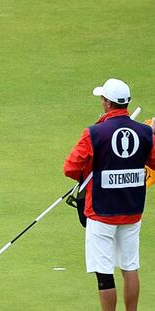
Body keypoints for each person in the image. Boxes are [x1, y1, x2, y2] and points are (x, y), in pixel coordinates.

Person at [63, 78, 155, 311]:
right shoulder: (144, 132)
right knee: (130, 267)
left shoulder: (95, 132)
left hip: (101, 211)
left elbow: (71, 168)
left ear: (107, 103)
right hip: (132, 210)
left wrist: (91, 170)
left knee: (104, 273)